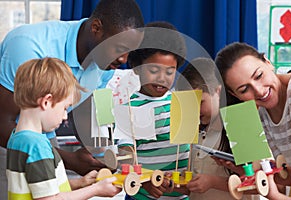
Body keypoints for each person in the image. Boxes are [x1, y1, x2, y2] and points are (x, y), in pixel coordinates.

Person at [0, 0, 144, 199]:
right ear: (96, 28)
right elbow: (2, 123)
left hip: (46, 148)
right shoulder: (27, 47)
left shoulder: (106, 64)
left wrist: (99, 156)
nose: (124, 60)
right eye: (119, 48)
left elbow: (86, 109)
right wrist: (69, 161)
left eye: (130, 52)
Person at [6, 57, 121, 200]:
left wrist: (81, 183)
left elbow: (44, 188)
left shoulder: (17, 137)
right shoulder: (37, 146)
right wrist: (95, 190)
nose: (65, 116)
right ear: (46, 102)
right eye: (65, 108)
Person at [116, 21, 189, 199]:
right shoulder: (130, 107)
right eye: (153, 70)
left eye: (169, 72)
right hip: (142, 195)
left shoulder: (183, 103)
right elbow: (125, 154)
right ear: (137, 68)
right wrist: (144, 179)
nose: (162, 79)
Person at [214, 42, 291, 189]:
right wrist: (248, 173)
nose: (259, 91)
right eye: (244, 89)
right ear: (235, 95)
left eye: (259, 76)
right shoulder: (261, 113)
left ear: (268, 62)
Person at [175, 57, 234, 199]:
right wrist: (178, 184)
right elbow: (195, 188)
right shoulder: (195, 128)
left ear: (218, 92)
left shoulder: (241, 121)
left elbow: (261, 182)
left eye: (200, 102)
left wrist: (213, 182)